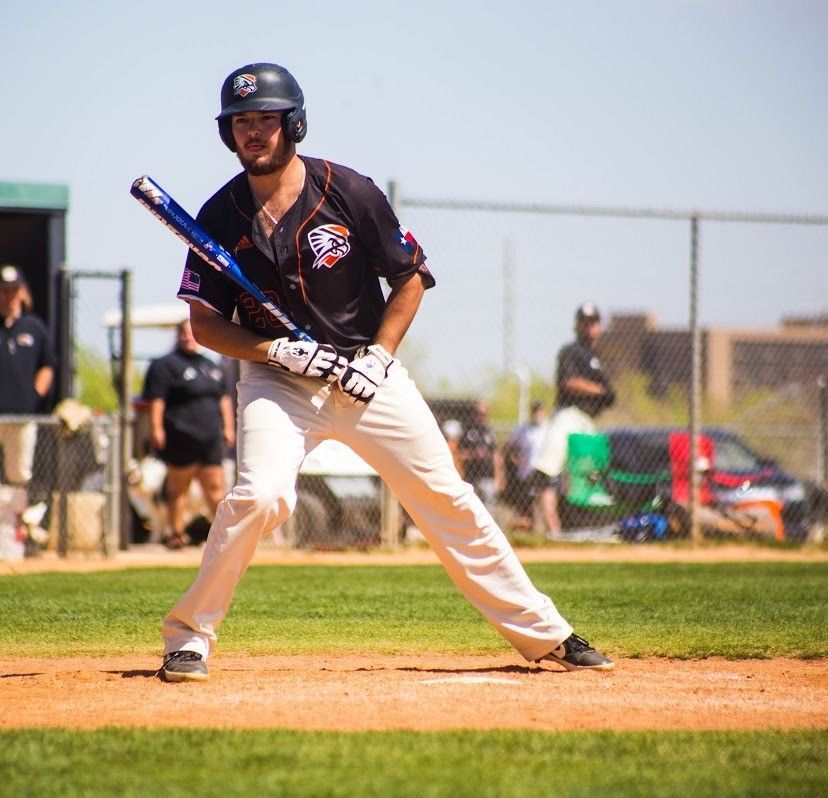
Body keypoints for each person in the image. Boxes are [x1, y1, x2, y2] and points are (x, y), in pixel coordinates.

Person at [160, 62, 612, 682]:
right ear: (227, 134)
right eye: (241, 122)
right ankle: (189, 638)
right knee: (260, 496)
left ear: (293, 123)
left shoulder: (348, 190)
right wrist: (276, 353)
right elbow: (205, 325)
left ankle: (546, 635)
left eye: (266, 119)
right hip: (280, 381)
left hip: (365, 371)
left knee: (448, 498)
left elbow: (410, 277)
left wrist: (378, 354)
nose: (254, 132)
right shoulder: (218, 217)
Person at [142, 319, 235, 549]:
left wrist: (229, 427)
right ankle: (176, 534)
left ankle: (222, 536)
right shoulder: (165, 365)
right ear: (178, 336)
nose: (189, 338)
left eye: (193, 333)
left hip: (210, 437)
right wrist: (156, 428)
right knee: (178, 488)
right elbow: (157, 400)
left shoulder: (211, 365)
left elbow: (223, 398)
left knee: (215, 488)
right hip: (181, 435)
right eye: (184, 333)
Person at [531, 303, 616, 538]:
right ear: (577, 325)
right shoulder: (571, 351)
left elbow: (610, 395)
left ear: (599, 326)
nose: (589, 327)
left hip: (588, 422)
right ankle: (552, 529)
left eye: (594, 322)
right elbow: (568, 382)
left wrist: (604, 393)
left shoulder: (596, 359)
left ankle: (586, 527)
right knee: (547, 472)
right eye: (585, 322)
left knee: (588, 477)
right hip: (568, 416)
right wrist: (599, 391)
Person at [0, 264, 56, 487]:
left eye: (13, 289)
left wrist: (33, 395)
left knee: (19, 475)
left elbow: (47, 365)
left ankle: (14, 521)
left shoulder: (34, 327)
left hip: (22, 417)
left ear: (22, 291)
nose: (9, 296)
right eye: (4, 290)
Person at [502, 400, 547, 528]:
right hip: (526, 474)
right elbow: (508, 447)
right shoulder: (523, 429)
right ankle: (530, 532)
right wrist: (517, 460)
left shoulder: (547, 428)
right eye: (535, 412)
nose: (537, 414)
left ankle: (544, 533)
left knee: (543, 504)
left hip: (544, 473)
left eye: (539, 411)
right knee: (528, 507)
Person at [456, 400, 503, 509]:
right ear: (474, 414)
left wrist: (498, 477)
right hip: (471, 477)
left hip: (488, 477)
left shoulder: (489, 432)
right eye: (478, 413)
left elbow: (496, 455)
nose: (481, 417)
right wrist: (474, 454)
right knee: (471, 508)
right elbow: (458, 454)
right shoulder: (467, 432)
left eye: (484, 414)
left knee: (488, 509)